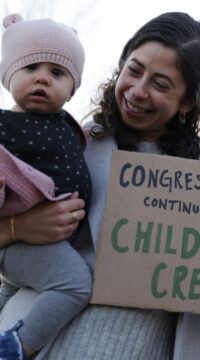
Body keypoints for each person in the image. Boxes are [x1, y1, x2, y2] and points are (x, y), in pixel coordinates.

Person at [0, 12, 200, 360]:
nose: (138, 91)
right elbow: (15, 271)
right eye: (134, 70)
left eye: (161, 84)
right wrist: (15, 228)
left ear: (187, 101)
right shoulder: (66, 143)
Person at [0, 14, 92, 359]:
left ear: (72, 89)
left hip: (45, 246)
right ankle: (15, 348)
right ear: (9, 76)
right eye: (30, 68)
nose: (42, 77)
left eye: (57, 72)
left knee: (11, 289)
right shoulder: (5, 126)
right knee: (75, 285)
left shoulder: (67, 125)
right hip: (22, 241)